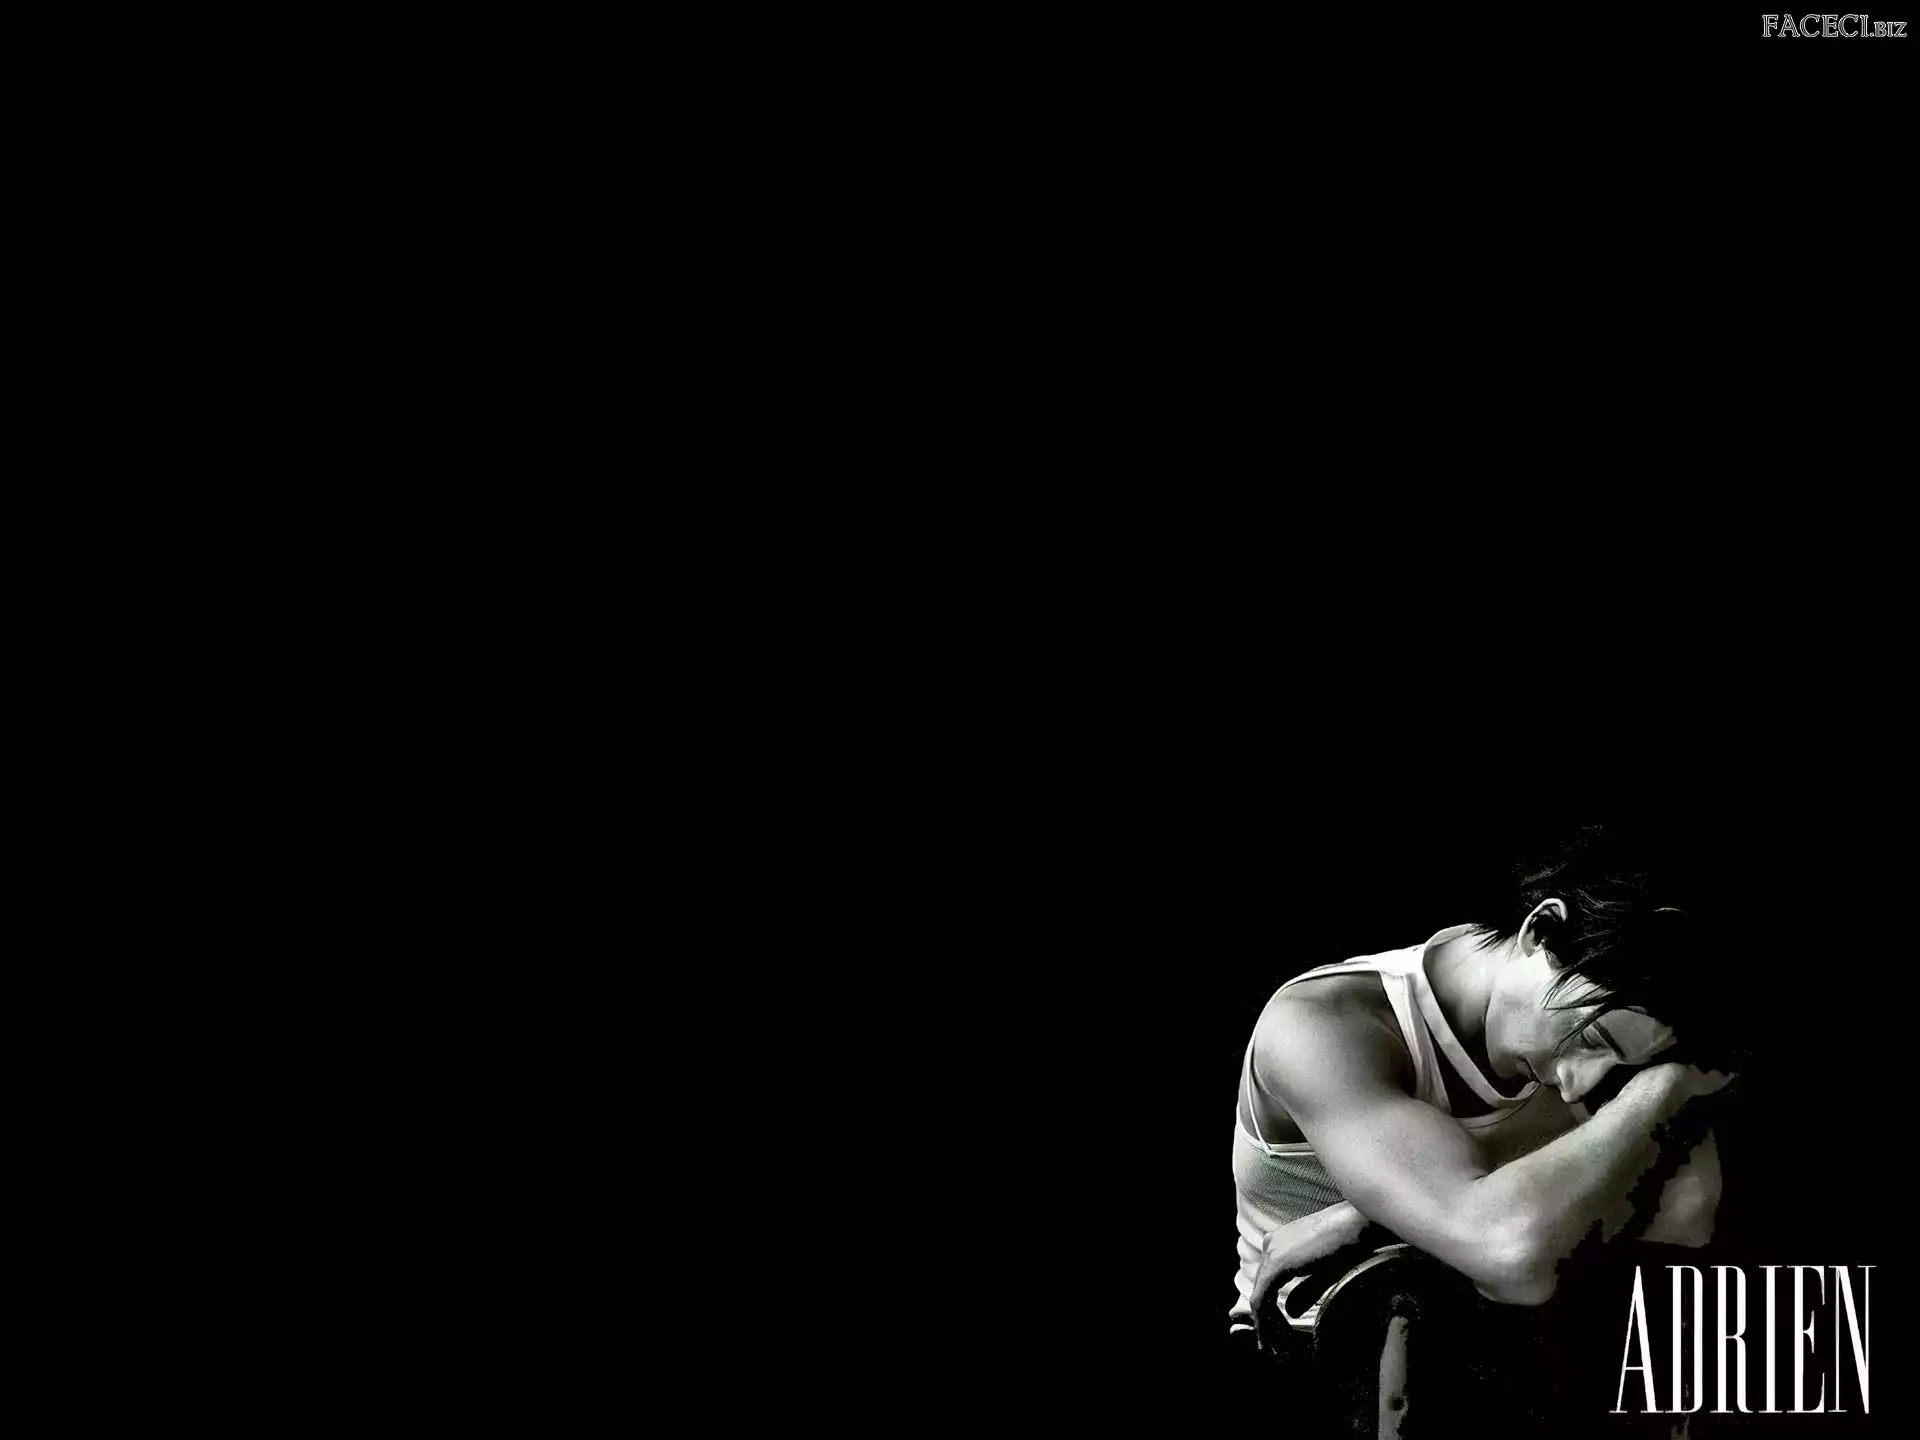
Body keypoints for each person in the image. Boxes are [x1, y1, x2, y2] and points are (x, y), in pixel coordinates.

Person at [1228, 826, 1740, 1429]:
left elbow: (1685, 1222)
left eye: (1623, 1064)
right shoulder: (1326, 1025)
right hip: (1314, 1364)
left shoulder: (1600, 1024)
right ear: (1541, 931)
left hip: (1499, 1356)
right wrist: (1658, 1095)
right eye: (1592, 1038)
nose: (1578, 1084)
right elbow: (1511, 1256)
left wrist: (1368, 1220)